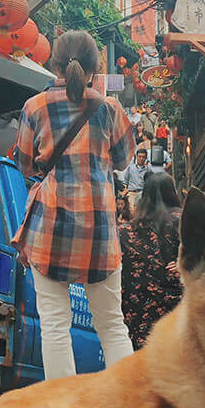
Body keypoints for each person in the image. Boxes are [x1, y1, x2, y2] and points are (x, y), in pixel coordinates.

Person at [12, 30, 136, 379]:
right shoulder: (109, 108)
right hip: (100, 231)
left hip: (50, 227)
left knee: (54, 325)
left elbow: (24, 165)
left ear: (56, 64)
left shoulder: (34, 107)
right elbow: (126, 160)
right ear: (96, 68)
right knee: (112, 325)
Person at [119, 171, 183, 348]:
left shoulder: (126, 231)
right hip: (177, 306)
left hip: (137, 308)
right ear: (173, 192)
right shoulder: (184, 221)